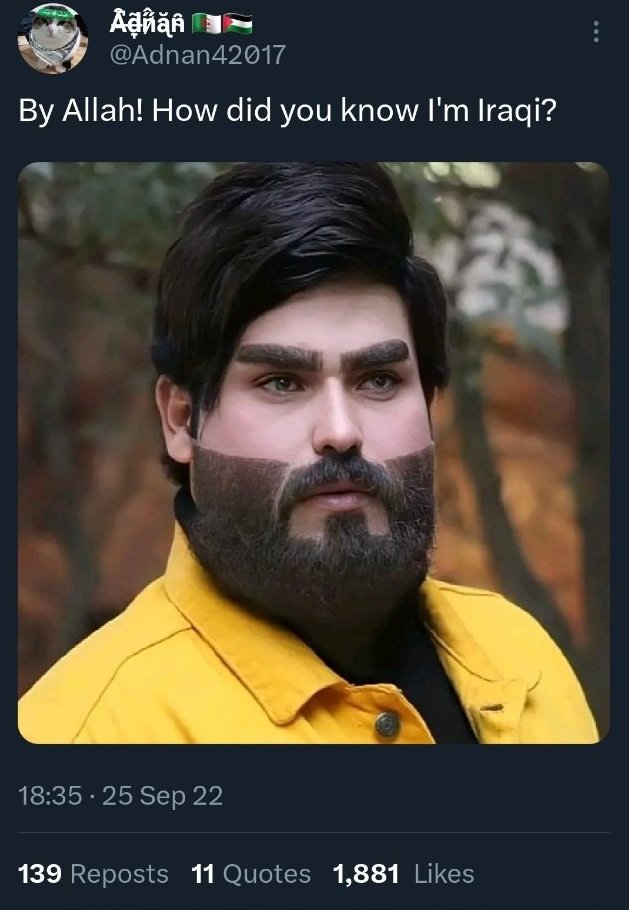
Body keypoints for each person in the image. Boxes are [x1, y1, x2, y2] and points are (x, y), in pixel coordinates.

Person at [18, 162, 598, 744]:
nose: (340, 432)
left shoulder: (523, 659)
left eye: (379, 379)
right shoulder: (84, 732)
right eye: (281, 382)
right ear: (180, 420)